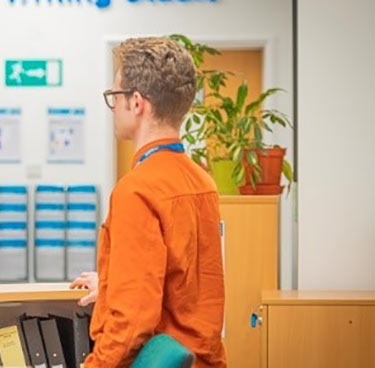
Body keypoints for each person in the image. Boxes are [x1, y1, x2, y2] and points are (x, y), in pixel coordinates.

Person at [70, 37, 227, 367]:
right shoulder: (202, 182)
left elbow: (131, 325)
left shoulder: (137, 191)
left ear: (137, 103)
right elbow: (183, 285)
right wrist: (113, 284)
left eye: (115, 97)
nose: (113, 108)